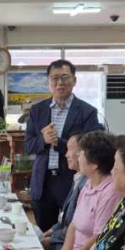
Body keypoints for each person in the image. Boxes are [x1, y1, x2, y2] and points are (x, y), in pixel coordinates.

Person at [24, 59, 101, 231]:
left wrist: (59, 143)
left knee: (72, 230)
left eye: (65, 77)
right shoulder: (38, 110)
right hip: (43, 181)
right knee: (45, 230)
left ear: (74, 80)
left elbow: (92, 150)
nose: (60, 83)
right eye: (54, 78)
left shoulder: (87, 112)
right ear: (48, 82)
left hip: (72, 179)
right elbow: (28, 146)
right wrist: (44, 140)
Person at [54, 131, 121, 250]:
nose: (78, 156)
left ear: (95, 164)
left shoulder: (110, 192)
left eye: (82, 153)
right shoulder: (88, 183)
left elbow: (98, 238)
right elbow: (73, 224)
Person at [40, 131, 87, 250]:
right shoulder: (77, 178)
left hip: (71, 248)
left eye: (70, 149)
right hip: (63, 238)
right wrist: (49, 232)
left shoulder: (87, 184)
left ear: (83, 153)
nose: (66, 154)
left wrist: (51, 238)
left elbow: (75, 227)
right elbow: (64, 219)